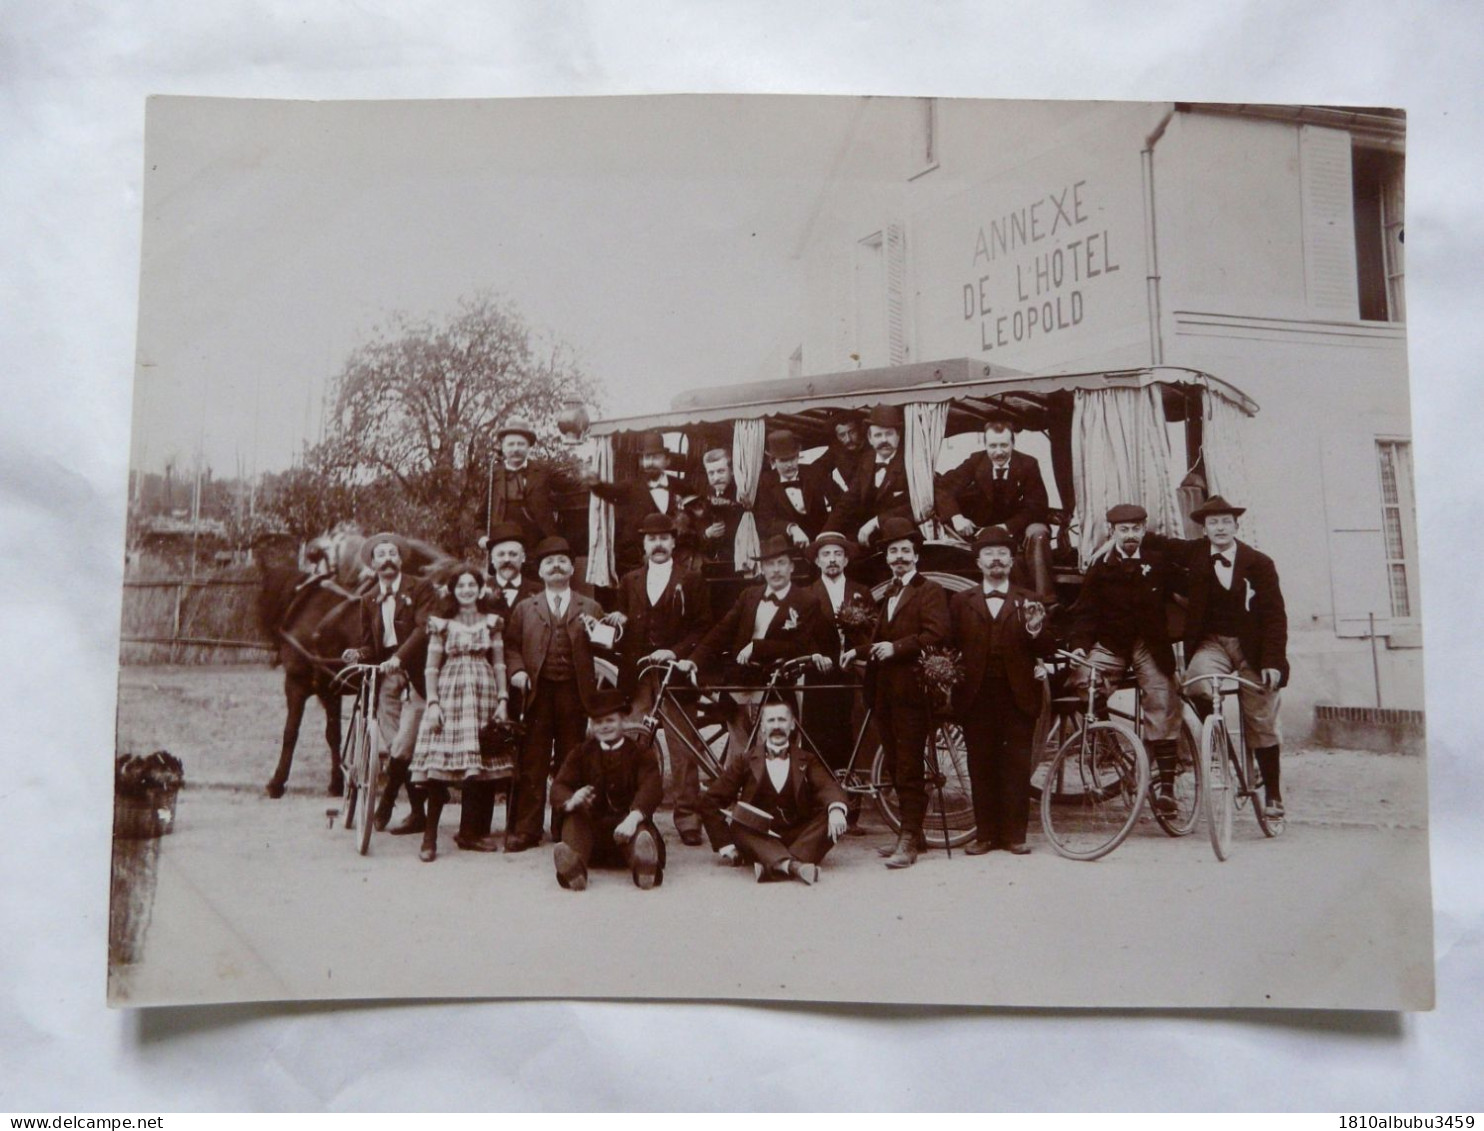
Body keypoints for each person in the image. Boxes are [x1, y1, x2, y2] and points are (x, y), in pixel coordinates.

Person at [1143, 496, 1290, 818]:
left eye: (1225, 522)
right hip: (1212, 644)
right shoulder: (1195, 553)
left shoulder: (1259, 563)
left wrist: (1272, 662)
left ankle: (1273, 795)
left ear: (1236, 526)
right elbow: (1159, 543)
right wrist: (1131, 531)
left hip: (1253, 648)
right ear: (1204, 528)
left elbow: (1275, 616)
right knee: (1194, 685)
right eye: (1213, 523)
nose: (1220, 528)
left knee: (1261, 716)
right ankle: (1217, 731)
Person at [842, 516, 950, 869]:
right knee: (893, 763)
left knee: (907, 766)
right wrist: (858, 651)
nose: (899, 557)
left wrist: (897, 648)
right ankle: (913, 833)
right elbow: (879, 640)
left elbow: (936, 635)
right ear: (887, 558)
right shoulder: (890, 591)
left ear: (916, 555)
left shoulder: (928, 590)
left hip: (911, 694)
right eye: (893, 551)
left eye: (905, 550)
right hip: (885, 693)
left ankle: (908, 839)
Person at [1066, 503, 1187, 816]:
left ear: (1144, 530)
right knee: (1084, 679)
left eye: (1135, 529)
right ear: (1112, 532)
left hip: (1150, 645)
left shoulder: (1158, 562)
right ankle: (1110, 744)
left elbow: (1186, 591)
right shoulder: (1100, 567)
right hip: (1112, 644)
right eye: (1124, 530)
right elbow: (1085, 611)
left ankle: (1166, 789)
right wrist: (1080, 645)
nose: (1130, 535)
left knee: (1162, 700)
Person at [605, 512, 713, 845]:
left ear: (674, 541)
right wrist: (619, 621)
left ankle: (687, 817)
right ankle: (636, 812)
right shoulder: (629, 580)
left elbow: (702, 627)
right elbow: (622, 629)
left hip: (674, 675)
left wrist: (675, 653)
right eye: (652, 539)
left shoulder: (692, 579)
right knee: (636, 743)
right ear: (644, 544)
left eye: (664, 538)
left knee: (683, 749)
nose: (658, 545)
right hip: (638, 675)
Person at [949, 528, 1051, 856]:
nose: (996, 560)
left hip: (1017, 693)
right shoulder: (961, 601)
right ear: (979, 562)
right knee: (980, 764)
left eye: (1002, 554)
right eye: (989, 554)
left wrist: (1035, 628)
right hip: (976, 694)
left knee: (1016, 765)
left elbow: (1048, 646)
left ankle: (1015, 835)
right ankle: (985, 835)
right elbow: (950, 646)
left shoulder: (1029, 599)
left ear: (1011, 561)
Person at [502, 536, 607, 852]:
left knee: (570, 760)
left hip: (575, 694)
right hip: (538, 693)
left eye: (562, 561)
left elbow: (605, 647)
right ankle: (526, 829)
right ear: (541, 570)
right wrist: (517, 670)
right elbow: (510, 646)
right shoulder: (525, 608)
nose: (556, 566)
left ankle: (565, 826)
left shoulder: (590, 606)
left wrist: (600, 630)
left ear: (572, 569)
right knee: (532, 760)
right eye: (549, 562)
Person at [689, 534, 835, 759]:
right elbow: (721, 631)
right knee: (738, 755)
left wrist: (758, 647)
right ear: (762, 569)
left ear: (791, 567)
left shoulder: (806, 601)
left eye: (781, 563)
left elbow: (799, 646)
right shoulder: (749, 595)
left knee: (769, 754)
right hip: (739, 687)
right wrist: (693, 660)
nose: (775, 570)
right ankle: (737, 792)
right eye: (769, 564)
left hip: (774, 688)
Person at [448, 522, 543, 851]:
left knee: (526, 755)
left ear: (523, 557)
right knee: (484, 750)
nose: (507, 559)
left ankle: (519, 829)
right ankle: (472, 829)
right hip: (485, 684)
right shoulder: (478, 589)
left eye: (513, 553)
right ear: (491, 558)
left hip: (530, 683)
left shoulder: (537, 588)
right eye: (500, 553)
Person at [407, 565, 512, 862]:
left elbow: (501, 663)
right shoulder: (442, 624)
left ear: (481, 590)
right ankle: (429, 837)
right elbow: (431, 667)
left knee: (475, 765)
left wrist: (503, 699)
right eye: (461, 585)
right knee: (440, 767)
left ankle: (469, 833)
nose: (466, 590)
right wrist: (433, 703)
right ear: (452, 590)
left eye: (472, 585)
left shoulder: (492, 623)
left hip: (483, 692)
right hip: (451, 693)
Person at [340, 532, 437, 837]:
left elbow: (423, 629)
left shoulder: (420, 588)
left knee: (403, 741)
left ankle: (388, 803)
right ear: (373, 563)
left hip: (418, 671)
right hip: (385, 676)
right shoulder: (368, 598)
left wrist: (401, 658)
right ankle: (415, 811)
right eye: (380, 554)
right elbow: (371, 645)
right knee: (397, 742)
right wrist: (358, 653)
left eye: (392, 553)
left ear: (401, 559)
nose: (387, 559)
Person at [700, 700, 850, 885]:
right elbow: (711, 800)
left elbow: (827, 786)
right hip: (759, 835)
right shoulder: (745, 760)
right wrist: (726, 845)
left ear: (792, 724)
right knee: (739, 825)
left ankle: (772, 865)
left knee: (834, 814)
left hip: (799, 835)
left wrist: (835, 809)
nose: (777, 726)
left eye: (782, 720)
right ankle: (795, 867)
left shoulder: (807, 759)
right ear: (762, 726)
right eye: (771, 721)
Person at [550, 689, 666, 891]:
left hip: (626, 827)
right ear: (591, 725)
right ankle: (574, 869)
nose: (604, 727)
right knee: (573, 818)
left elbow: (652, 787)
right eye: (598, 723)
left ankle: (644, 867)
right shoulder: (581, 753)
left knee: (640, 832)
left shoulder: (641, 753)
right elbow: (559, 786)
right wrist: (572, 799)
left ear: (623, 720)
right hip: (591, 837)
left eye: (610, 721)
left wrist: (633, 818)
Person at [802, 531, 873, 832]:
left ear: (845, 559)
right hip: (819, 676)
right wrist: (813, 654)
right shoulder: (806, 594)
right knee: (817, 738)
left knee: (850, 738)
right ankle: (817, 811)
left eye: (837, 555)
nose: (832, 560)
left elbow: (872, 629)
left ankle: (850, 810)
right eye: (826, 555)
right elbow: (799, 634)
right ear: (818, 561)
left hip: (851, 674)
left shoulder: (861, 592)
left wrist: (858, 652)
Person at [938, 416, 1054, 599]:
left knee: (1038, 533)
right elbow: (943, 489)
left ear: (1012, 444)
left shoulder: (1028, 464)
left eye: (1004, 445)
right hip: (984, 532)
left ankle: (1044, 600)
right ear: (985, 445)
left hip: (1020, 528)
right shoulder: (975, 462)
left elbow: (1037, 507)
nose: (998, 452)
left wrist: (1007, 527)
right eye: (993, 446)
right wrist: (956, 517)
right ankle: (1015, 600)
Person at [826, 404, 950, 547]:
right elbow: (848, 502)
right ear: (870, 439)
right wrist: (826, 534)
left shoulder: (913, 463)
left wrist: (877, 521)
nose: (884, 440)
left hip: (908, 538)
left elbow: (924, 503)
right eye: (878, 435)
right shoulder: (867, 461)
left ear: (898, 436)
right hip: (873, 539)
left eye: (889, 434)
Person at [587, 430, 684, 576]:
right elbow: (607, 491)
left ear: (667, 460)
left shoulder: (680, 486)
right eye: (646, 458)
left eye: (655, 457)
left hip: (672, 562)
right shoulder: (630, 486)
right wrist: (595, 484)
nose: (650, 462)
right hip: (636, 563)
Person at [754, 429, 840, 549]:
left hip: (823, 544)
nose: (789, 465)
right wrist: (791, 528)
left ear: (798, 456)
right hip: (787, 549)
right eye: (783, 460)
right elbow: (765, 521)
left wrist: (828, 532)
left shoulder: (815, 473)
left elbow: (841, 503)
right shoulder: (765, 482)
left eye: (792, 458)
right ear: (773, 461)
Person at [485, 417, 557, 552]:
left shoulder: (543, 472)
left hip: (539, 546)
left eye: (521, 444)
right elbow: (481, 517)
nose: (516, 449)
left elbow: (571, 487)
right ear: (502, 447)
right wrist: (481, 537)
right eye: (511, 444)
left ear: (529, 446)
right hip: (505, 547)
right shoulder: (493, 475)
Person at [685, 447, 744, 565]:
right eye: (711, 473)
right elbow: (696, 535)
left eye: (721, 471)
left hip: (737, 560)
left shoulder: (743, 496)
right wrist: (707, 534)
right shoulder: (703, 498)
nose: (716, 478)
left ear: (731, 471)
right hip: (711, 562)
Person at [815, 408, 869, 495]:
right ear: (837, 436)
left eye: (852, 432)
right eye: (842, 435)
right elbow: (816, 470)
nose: (848, 439)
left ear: (860, 429)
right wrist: (837, 496)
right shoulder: (837, 450)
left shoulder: (873, 446)